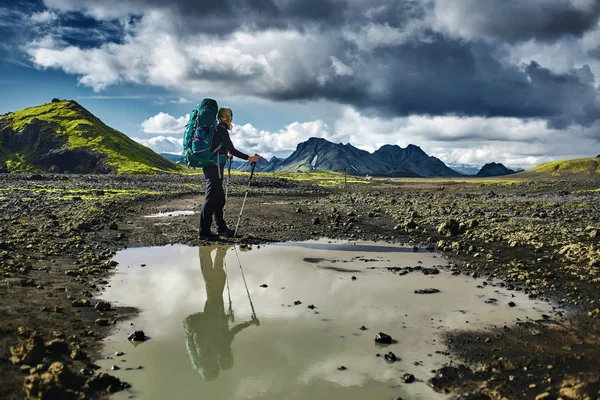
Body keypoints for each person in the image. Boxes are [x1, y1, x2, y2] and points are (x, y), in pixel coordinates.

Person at [183, 245, 259, 380]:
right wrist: (245, 322)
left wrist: (249, 322)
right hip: (212, 313)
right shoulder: (216, 350)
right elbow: (232, 331)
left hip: (211, 313)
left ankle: (206, 252)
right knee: (217, 280)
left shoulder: (213, 351)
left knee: (213, 282)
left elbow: (232, 331)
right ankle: (219, 251)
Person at [199, 107, 260, 239]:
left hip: (212, 166)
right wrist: (250, 158)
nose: (229, 118)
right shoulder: (221, 130)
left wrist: (225, 156)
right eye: (229, 116)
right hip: (214, 168)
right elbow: (232, 149)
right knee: (210, 199)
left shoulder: (216, 129)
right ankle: (204, 232)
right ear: (227, 117)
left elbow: (217, 148)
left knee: (219, 198)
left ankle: (221, 228)